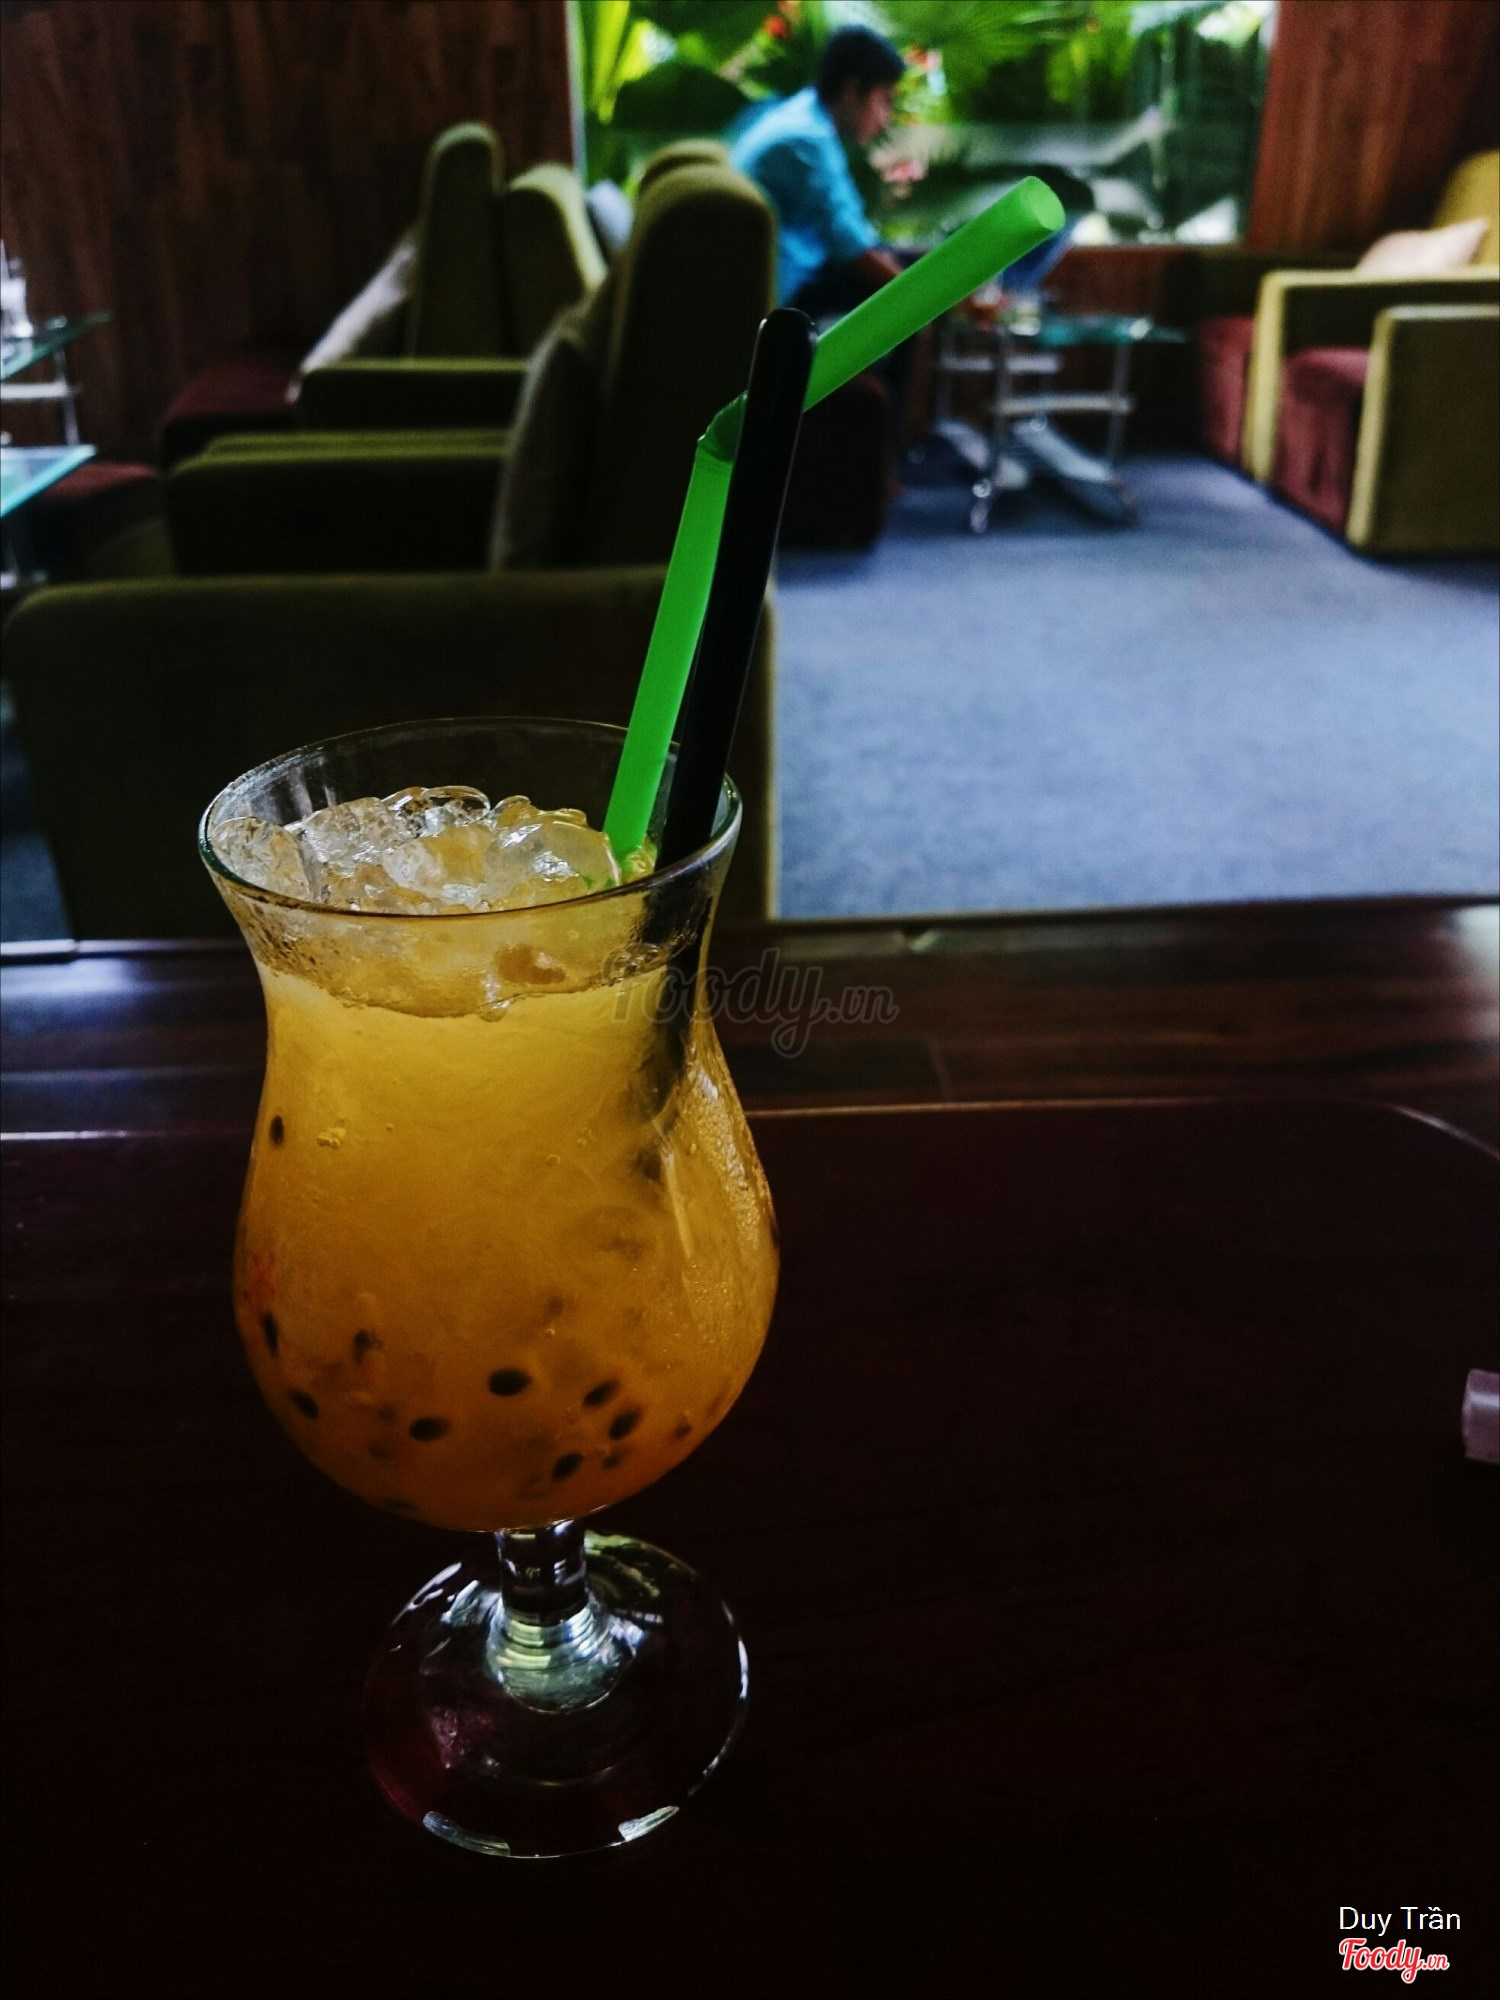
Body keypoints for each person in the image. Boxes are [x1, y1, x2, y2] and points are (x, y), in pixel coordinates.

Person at [730, 25, 907, 317]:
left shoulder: (800, 116)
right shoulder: (808, 140)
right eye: (885, 101)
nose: (885, 120)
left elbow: (855, 233)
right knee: (903, 304)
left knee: (902, 271)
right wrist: (933, 300)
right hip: (775, 291)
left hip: (775, 272)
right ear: (852, 89)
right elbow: (851, 247)